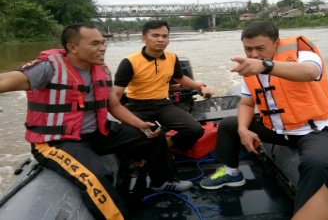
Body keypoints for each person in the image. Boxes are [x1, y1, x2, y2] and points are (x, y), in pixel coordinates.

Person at [0, 23, 193, 220]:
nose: (102, 48)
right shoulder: (47, 68)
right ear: (72, 47)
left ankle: (161, 181)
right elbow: (6, 81)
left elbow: (114, 106)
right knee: (96, 178)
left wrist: (140, 124)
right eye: (94, 43)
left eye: (103, 43)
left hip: (97, 133)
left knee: (154, 135)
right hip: (57, 142)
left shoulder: (101, 70)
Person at [200, 21, 328, 213]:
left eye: (260, 48)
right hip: (278, 129)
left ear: (276, 42)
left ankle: (306, 214)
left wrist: (266, 65)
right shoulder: (250, 69)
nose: (253, 55)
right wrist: (243, 130)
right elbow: (247, 103)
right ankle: (231, 173)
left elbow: (310, 72)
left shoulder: (304, 54)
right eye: (248, 49)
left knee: (317, 163)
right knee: (229, 125)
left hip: (315, 130)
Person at [113, 20, 214, 152]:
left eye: (164, 36)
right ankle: (140, 159)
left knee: (195, 130)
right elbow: (116, 95)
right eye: (155, 36)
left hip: (162, 104)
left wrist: (201, 87)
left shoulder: (172, 58)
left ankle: (169, 143)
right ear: (144, 38)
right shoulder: (130, 62)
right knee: (133, 138)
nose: (161, 40)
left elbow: (180, 78)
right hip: (137, 106)